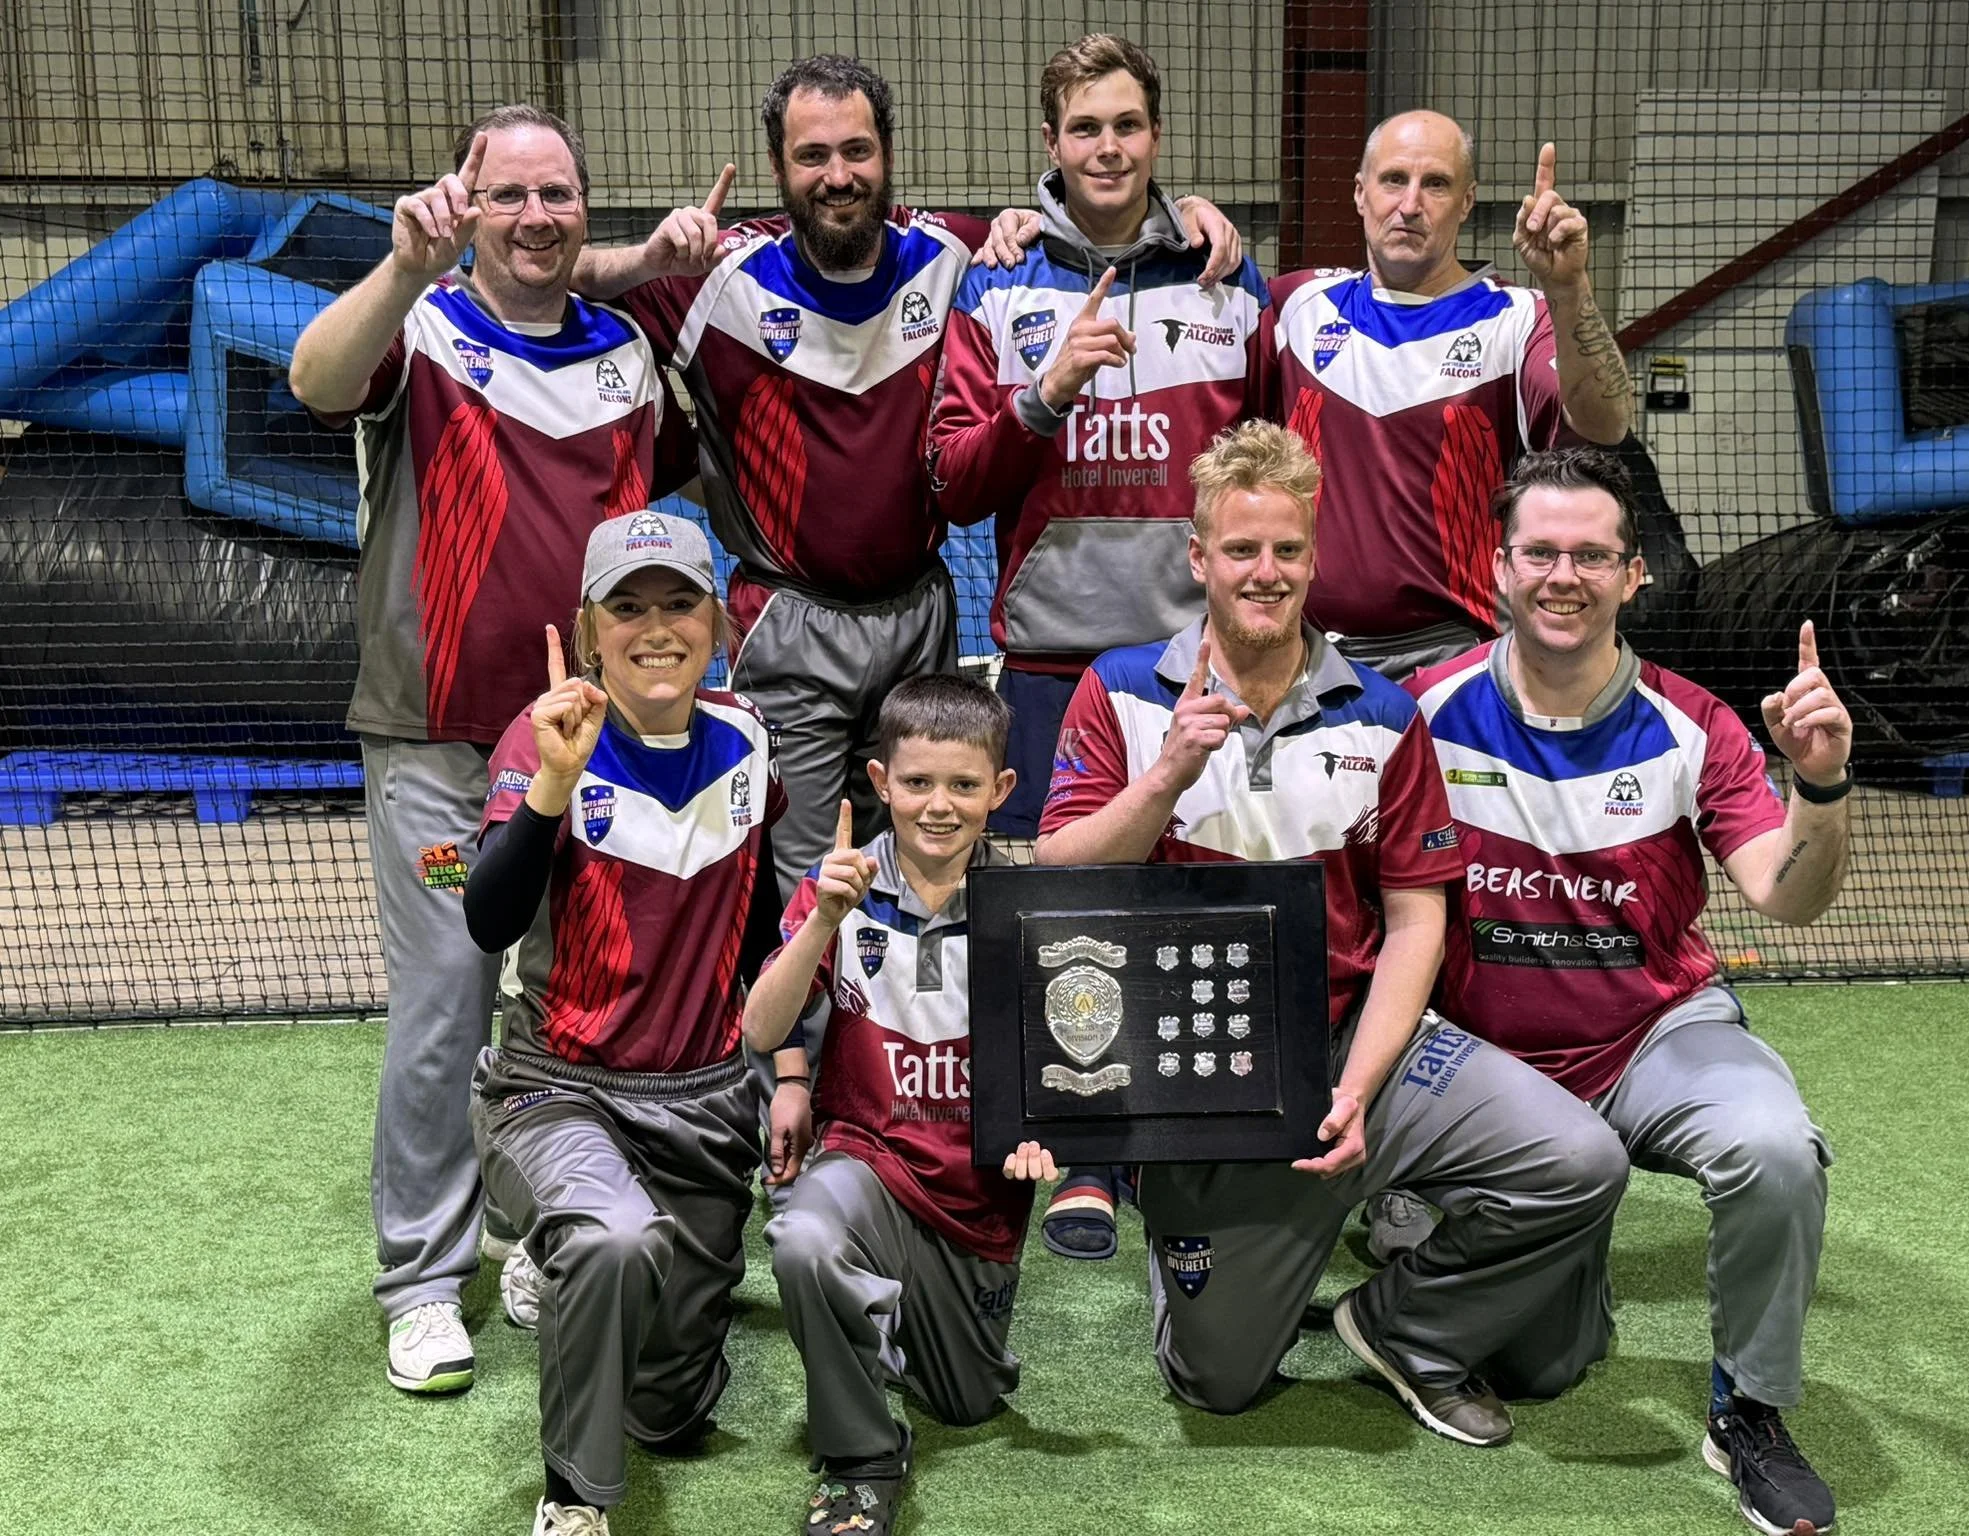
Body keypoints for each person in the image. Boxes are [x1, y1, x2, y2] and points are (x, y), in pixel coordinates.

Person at [1037, 420, 1629, 1444]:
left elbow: (1414, 921)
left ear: (1313, 557)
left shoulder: (1385, 714)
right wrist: (1168, 774)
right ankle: (1200, 1259)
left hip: (1356, 1046)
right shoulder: (1122, 691)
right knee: (1218, 1383)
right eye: (1239, 550)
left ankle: (1399, 1325)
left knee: (1578, 1161)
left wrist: (1356, 1085)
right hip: (1199, 1075)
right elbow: (1056, 878)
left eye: (1285, 551)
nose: (1263, 574)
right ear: (1197, 558)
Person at [572, 54, 1242, 899]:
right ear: (778, 166)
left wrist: (1183, 213)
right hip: (788, 622)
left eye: (857, 151)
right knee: (807, 885)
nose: (838, 175)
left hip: (922, 618)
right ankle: (799, 1033)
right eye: (812, 156)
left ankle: (908, 1034)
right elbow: (545, 272)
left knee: (931, 872)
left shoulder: (957, 254)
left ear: (888, 153)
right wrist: (644, 259)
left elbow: (1068, 223)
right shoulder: (716, 277)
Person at [288, 103, 691, 1394]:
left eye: (558, 194)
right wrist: (405, 263)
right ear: (466, 207)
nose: (535, 217)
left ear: (587, 206)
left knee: (567, 1018)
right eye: (507, 195)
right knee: (446, 1012)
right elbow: (312, 379)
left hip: (590, 753)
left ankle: (536, 1234)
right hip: (444, 750)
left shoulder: (627, 355)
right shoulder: (422, 330)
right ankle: (420, 1277)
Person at [1406, 447, 1851, 1535]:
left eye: (1591, 556)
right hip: (1490, 1067)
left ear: (1630, 574)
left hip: (1651, 1033)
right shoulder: (1418, 711)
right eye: (1541, 553)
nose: (1564, 576)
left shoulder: (1692, 723)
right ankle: (1491, 1240)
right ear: (1498, 567)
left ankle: (1747, 1412)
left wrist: (1819, 783)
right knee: (1546, 1366)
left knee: (1773, 1147)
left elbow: (1785, 900)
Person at [927, 32, 1267, 1259]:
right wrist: (1046, 392)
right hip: (1051, 663)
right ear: (1050, 145)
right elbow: (957, 480)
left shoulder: (1233, 279)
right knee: (1056, 912)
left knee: (1198, 904)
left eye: (1126, 125)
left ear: (1156, 139)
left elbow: (1273, 474)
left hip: (1199, 664)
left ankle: (1186, 1154)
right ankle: (1076, 1155)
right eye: (1083, 128)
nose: (1107, 148)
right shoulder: (995, 283)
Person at [461, 511, 797, 1536]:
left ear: (716, 620)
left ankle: (575, 1266)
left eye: (678, 602)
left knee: (669, 1411)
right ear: (590, 626)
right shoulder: (545, 736)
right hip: (558, 1084)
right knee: (608, 1242)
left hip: (701, 1100)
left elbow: (759, 925)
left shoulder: (746, 736)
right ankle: (571, 1501)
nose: (655, 628)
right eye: (627, 606)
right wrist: (552, 791)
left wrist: (784, 1069)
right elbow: (487, 918)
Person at [743, 674, 1059, 1536]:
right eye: (917, 783)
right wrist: (819, 923)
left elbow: (1071, 1055)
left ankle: (879, 1332)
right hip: (867, 1162)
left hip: (977, 1199)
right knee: (805, 1239)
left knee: (967, 1404)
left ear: (1000, 792)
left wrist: (1050, 1142)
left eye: (964, 786)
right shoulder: (837, 887)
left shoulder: (1031, 903)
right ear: (881, 783)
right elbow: (759, 1027)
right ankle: (860, 1459)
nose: (939, 806)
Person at [1263, 110, 1634, 679]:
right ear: (1360, 194)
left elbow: (1606, 423)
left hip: (1460, 658)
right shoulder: (1297, 306)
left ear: (1466, 202)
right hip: (1307, 656)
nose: (1410, 204)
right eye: (1393, 180)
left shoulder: (1515, 320)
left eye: (1435, 184)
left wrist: (1568, 286)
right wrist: (1192, 212)